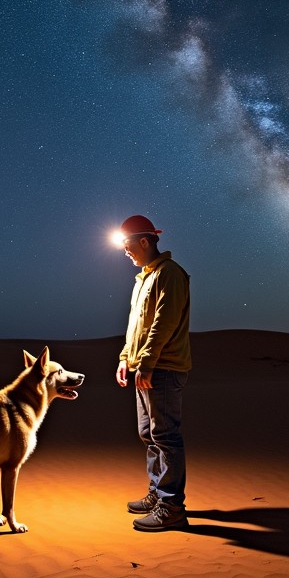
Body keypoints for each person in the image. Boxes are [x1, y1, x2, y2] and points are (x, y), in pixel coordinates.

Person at [113, 214, 191, 531]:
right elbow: (137, 326)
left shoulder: (170, 274)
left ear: (144, 242)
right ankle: (158, 494)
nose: (125, 252)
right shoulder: (143, 279)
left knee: (165, 436)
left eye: (128, 245)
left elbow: (164, 323)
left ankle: (171, 506)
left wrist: (146, 362)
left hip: (162, 368)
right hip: (145, 367)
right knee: (149, 436)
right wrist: (124, 358)